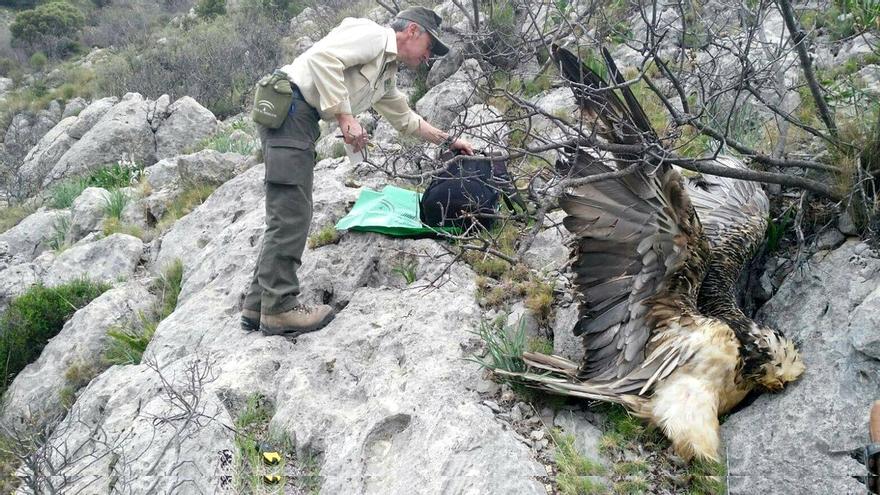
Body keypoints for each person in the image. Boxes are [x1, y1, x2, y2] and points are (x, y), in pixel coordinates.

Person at [241, 6, 475, 337]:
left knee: (289, 210)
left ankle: (257, 305)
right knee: (291, 213)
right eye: (429, 47)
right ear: (412, 32)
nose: (429, 57)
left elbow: (405, 119)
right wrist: (345, 116)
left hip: (297, 117)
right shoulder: (373, 36)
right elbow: (323, 59)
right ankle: (279, 308)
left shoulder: (385, 73)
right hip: (290, 109)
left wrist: (448, 140)